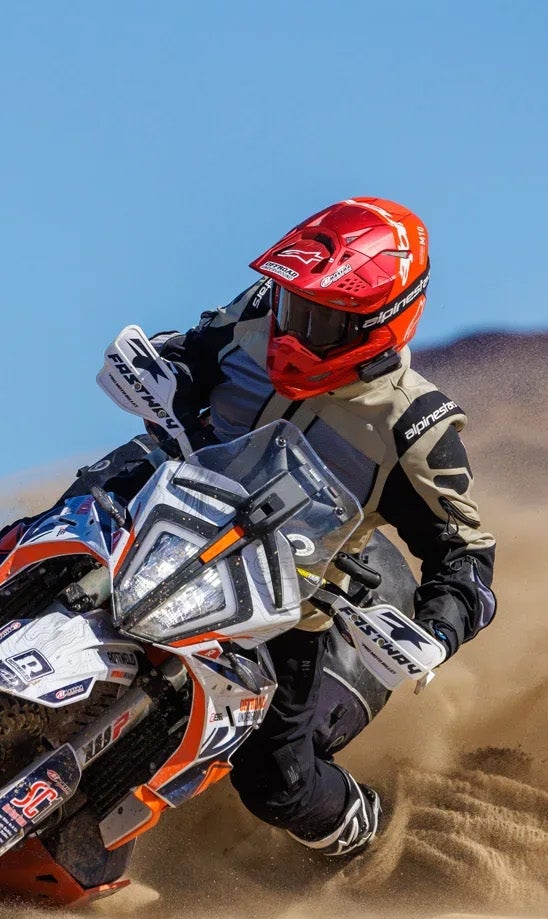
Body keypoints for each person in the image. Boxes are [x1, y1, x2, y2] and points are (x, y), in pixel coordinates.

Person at [129, 196, 497, 857]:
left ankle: (378, 845)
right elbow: (186, 355)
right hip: (167, 513)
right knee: (58, 527)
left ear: (380, 324)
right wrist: (159, 371)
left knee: (277, 779)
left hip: (285, 601)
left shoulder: (415, 428)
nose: (291, 330)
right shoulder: (257, 313)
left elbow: (465, 559)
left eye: (320, 318)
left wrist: (434, 636)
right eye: (293, 302)